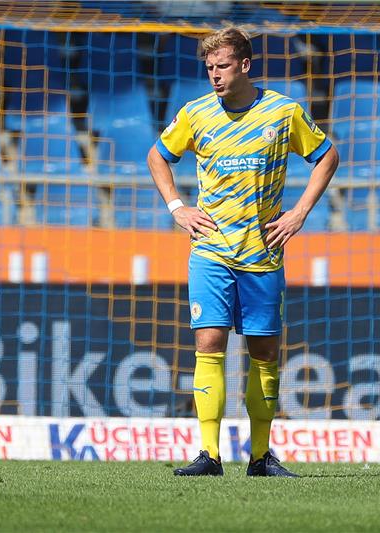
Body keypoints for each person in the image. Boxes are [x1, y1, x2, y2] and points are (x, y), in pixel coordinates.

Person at [147, 27, 339, 476]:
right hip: (211, 249)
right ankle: (209, 455)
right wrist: (177, 207)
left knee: (265, 353)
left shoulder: (283, 111)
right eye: (209, 67)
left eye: (223, 66)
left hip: (263, 253)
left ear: (245, 65)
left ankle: (260, 456)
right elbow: (158, 156)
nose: (214, 75)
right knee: (208, 344)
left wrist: (300, 212)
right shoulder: (195, 114)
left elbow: (327, 155)